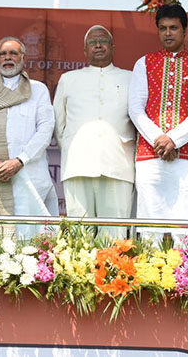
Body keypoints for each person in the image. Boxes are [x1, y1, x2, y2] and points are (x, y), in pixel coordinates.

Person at [128, 4, 188, 244]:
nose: (168, 33)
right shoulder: (144, 63)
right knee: (149, 225)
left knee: (186, 224)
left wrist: (174, 139)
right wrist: (160, 140)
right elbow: (136, 109)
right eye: (163, 28)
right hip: (150, 154)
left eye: (173, 28)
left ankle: (187, 279)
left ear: (185, 31)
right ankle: (148, 275)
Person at [0, 37, 56, 238]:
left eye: (13, 53)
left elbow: (45, 129)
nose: (8, 58)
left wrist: (20, 161)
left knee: (29, 237)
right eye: (3, 54)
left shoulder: (37, 89)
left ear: (23, 58)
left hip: (29, 173)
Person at [53, 25, 135, 239]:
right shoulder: (68, 79)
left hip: (119, 165)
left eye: (103, 41)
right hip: (78, 165)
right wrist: (76, 147)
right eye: (92, 42)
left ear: (113, 47)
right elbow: (58, 124)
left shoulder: (131, 78)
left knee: (115, 237)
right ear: (84, 51)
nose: (98, 45)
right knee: (80, 236)